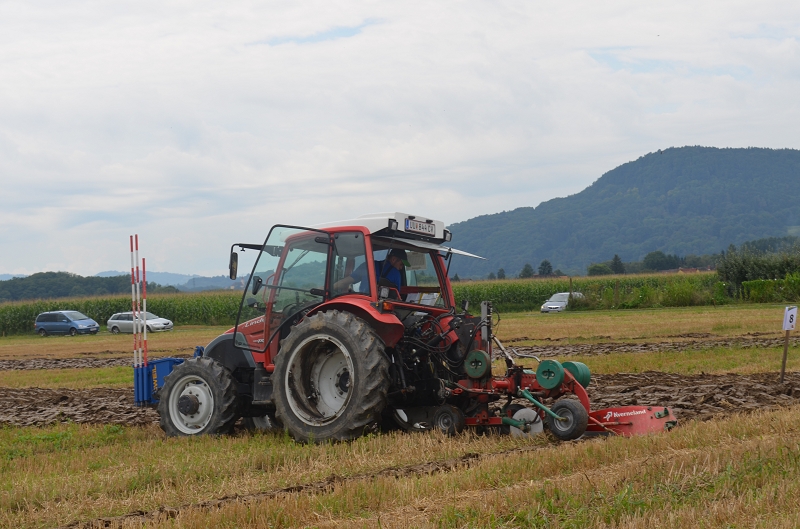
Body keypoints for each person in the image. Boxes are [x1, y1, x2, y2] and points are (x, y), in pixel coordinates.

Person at [334, 248, 409, 294]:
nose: (401, 268)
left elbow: (345, 282)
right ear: (393, 259)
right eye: (401, 264)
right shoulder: (396, 274)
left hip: (363, 301)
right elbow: (396, 296)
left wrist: (330, 288)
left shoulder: (367, 266)